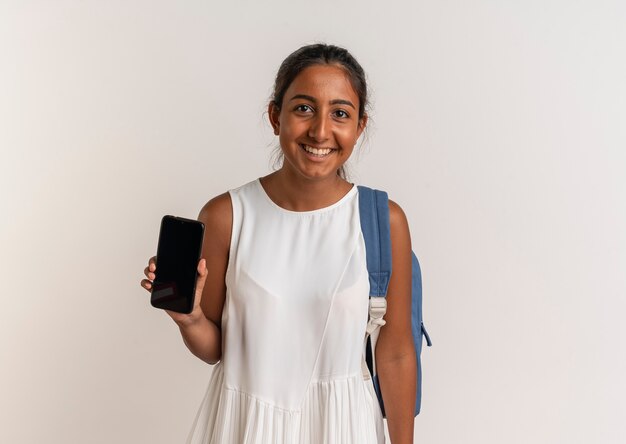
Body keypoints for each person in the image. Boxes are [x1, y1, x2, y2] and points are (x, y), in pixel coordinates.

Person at [140, 43, 417, 444]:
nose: (321, 131)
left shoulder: (382, 221)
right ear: (275, 116)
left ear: (359, 127)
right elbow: (217, 348)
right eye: (303, 108)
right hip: (247, 425)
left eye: (340, 113)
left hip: (344, 428)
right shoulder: (226, 216)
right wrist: (191, 319)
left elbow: (396, 354)